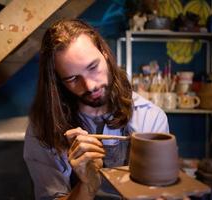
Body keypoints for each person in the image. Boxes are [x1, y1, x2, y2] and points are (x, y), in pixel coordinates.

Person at [23, 19, 169, 200]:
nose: (90, 85)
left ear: (105, 54)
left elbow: (155, 192)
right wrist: (88, 184)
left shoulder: (150, 116)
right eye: (72, 78)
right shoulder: (43, 128)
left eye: (93, 67)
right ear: (58, 81)